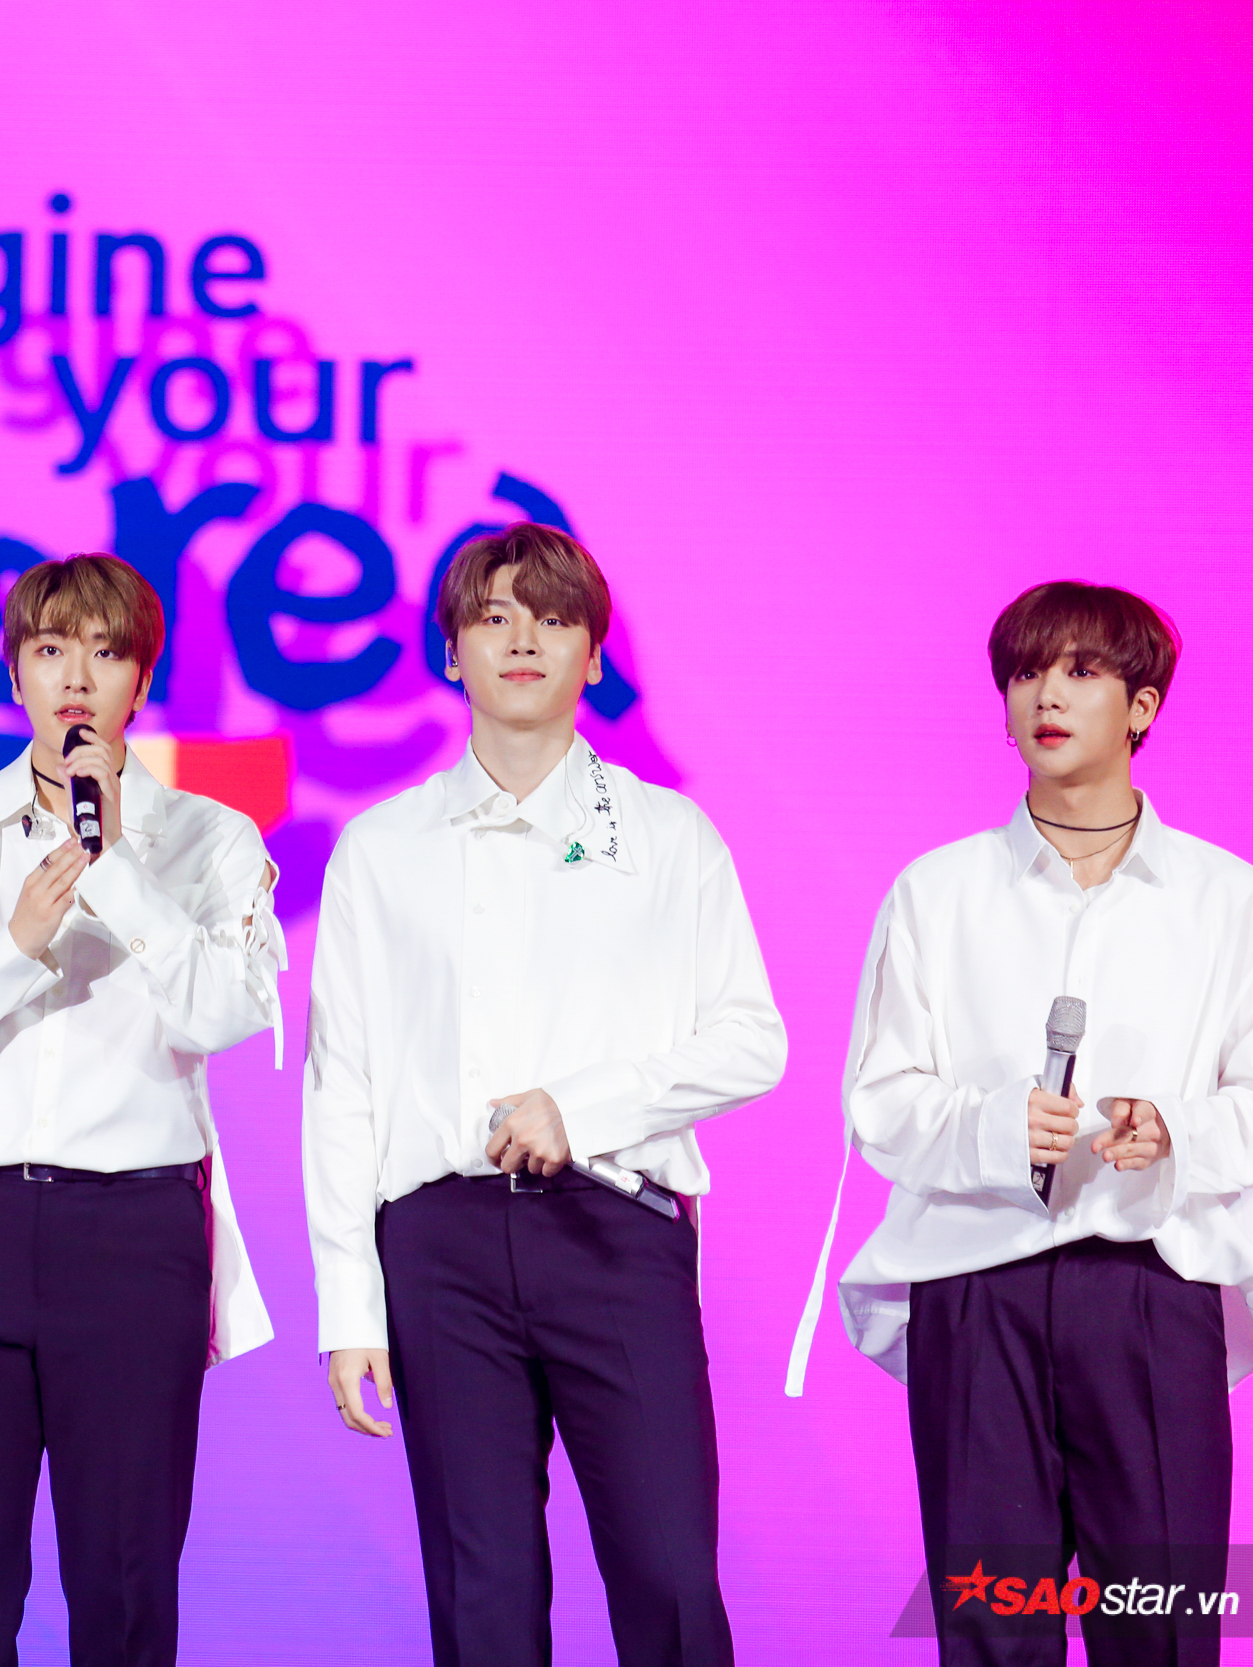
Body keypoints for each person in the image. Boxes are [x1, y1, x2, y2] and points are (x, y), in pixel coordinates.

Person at [303, 523, 785, 1667]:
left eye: (554, 618)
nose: (523, 638)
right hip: (439, 1246)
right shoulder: (381, 847)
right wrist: (348, 1308)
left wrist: (585, 1105)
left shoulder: (668, 835)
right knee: (484, 1592)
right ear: (452, 651)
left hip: (614, 1227)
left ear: (594, 655)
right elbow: (342, 1084)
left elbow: (751, 1039)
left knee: (669, 1575)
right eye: (494, 617)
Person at [795, 581, 1253, 1666]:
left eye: (1080, 671)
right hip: (977, 1291)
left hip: (1151, 1290)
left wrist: (1175, 1131)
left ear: (1142, 706)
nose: (1044, 695)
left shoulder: (1231, 902)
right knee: (989, 1624)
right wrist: (992, 1127)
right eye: (1024, 672)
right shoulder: (936, 893)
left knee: (1157, 1626)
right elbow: (880, 1097)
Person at [0, 552, 283, 1667]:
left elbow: (226, 1009)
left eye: (105, 652)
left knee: (124, 1587)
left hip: (135, 1234)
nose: (75, 677)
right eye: (49, 650)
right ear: (14, 673)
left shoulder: (213, 838)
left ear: (142, 678)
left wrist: (114, 866)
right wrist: (14, 950)